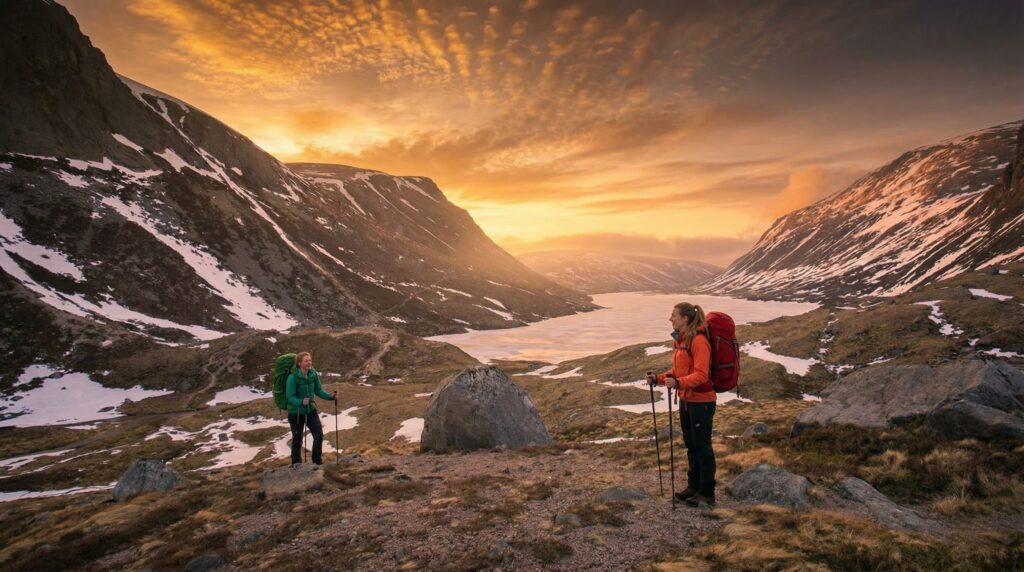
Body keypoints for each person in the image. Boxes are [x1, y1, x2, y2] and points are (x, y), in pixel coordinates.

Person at [647, 302, 717, 506]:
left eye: (674, 316)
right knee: (691, 446)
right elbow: (679, 372)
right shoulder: (681, 340)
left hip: (701, 401)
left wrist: (678, 383)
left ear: (685, 318)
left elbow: (702, 375)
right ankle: (693, 488)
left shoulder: (699, 340)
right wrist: (659, 378)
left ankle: (707, 493)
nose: (671, 319)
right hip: (687, 400)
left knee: (702, 446)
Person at [286, 351, 337, 465]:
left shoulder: (313, 374)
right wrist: (300, 402)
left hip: (310, 410)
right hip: (296, 413)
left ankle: (317, 462)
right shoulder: (292, 378)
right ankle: (296, 464)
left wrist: (331, 397)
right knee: (297, 439)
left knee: (319, 435)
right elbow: (289, 397)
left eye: (310, 360)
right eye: (306, 361)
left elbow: (318, 390)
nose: (309, 363)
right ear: (299, 363)